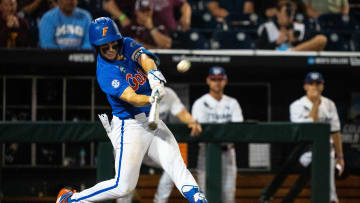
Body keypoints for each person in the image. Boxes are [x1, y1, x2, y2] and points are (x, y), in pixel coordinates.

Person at [56, 17, 207, 203]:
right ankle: (71, 199)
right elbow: (131, 98)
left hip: (152, 122)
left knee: (176, 164)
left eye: (114, 44)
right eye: (105, 47)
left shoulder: (126, 44)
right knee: (123, 186)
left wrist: (153, 74)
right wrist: (152, 97)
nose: (111, 49)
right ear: (97, 48)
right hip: (129, 126)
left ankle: (198, 198)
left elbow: (145, 57)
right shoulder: (105, 71)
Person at [100, 86, 202, 203]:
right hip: (132, 143)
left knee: (174, 167)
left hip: (153, 145)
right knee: (125, 185)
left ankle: (160, 201)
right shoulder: (130, 92)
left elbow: (181, 112)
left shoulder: (167, 93)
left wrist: (192, 121)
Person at [288, 71, 345, 203]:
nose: (314, 86)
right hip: (305, 152)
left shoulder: (330, 104)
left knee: (326, 160)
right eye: (311, 83)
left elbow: (335, 132)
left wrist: (340, 157)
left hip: (327, 151)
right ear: (305, 86)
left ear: (322, 86)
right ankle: (331, 198)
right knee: (323, 162)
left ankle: (331, 198)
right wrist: (315, 105)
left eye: (318, 83)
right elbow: (309, 131)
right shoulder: (296, 105)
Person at [192, 66, 243, 203]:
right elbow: (201, 131)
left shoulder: (232, 103)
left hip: (228, 154)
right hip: (206, 153)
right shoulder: (200, 103)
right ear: (208, 81)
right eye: (214, 79)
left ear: (225, 80)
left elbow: (238, 130)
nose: (217, 82)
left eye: (220, 79)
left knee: (228, 196)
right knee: (204, 195)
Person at [256, 1, 328, 51]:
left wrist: (294, 41)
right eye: (286, 13)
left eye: (292, 14)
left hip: (297, 60)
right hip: (276, 61)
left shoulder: (300, 27)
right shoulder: (268, 27)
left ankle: (290, 52)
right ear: (277, 13)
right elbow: (260, 50)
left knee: (321, 39)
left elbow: (307, 47)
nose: (290, 17)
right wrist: (276, 42)